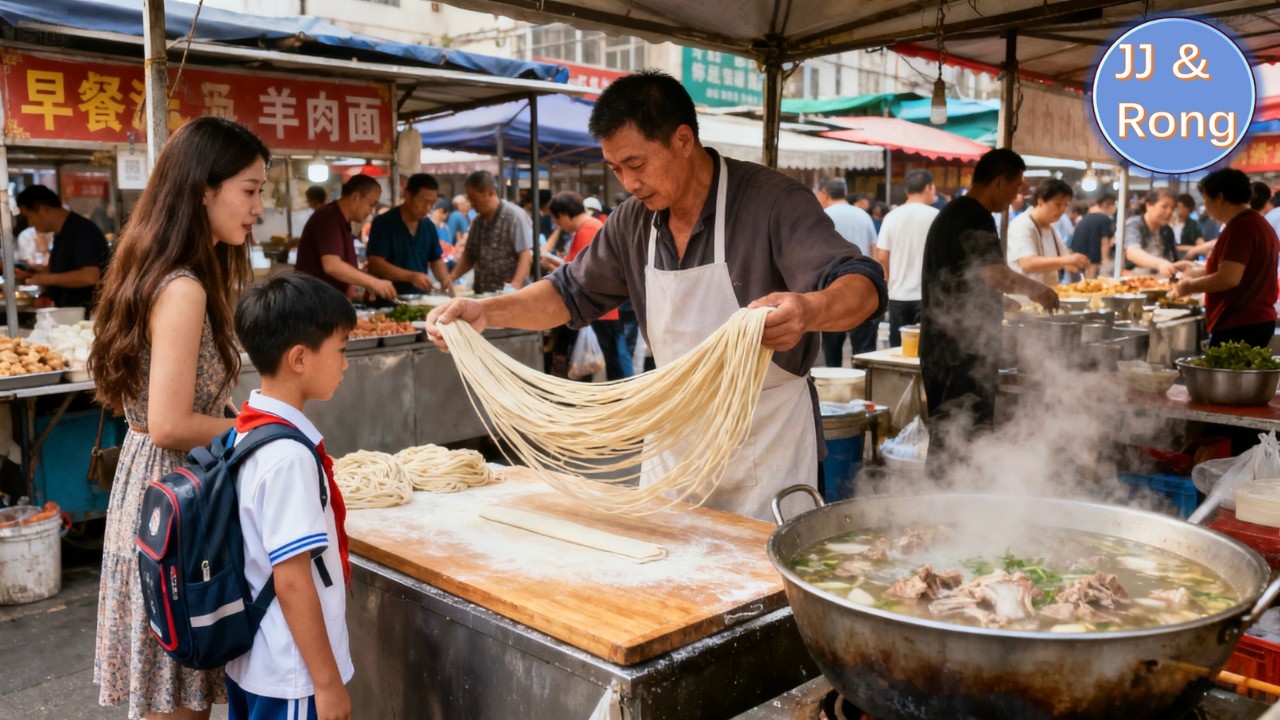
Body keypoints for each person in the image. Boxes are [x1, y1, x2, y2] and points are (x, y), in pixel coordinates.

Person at [425, 70, 885, 521]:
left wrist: (809, 309)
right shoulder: (631, 221)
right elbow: (567, 293)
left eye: (637, 164)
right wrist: (486, 311)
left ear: (683, 141)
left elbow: (860, 285)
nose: (627, 182)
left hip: (765, 441)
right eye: (615, 168)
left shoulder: (771, 202)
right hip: (676, 441)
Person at [88, 116, 269, 720]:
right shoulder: (184, 285)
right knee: (175, 705)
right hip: (174, 507)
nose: (259, 207)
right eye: (250, 190)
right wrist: (262, 428)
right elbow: (169, 423)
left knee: (169, 702)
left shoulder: (162, 267)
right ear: (203, 190)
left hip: (157, 496)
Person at [228, 272, 356, 720]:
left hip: (258, 659)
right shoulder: (288, 457)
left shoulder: (249, 431)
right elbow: (292, 578)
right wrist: (326, 683)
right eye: (341, 350)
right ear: (300, 358)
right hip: (293, 676)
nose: (345, 363)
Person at [920, 149, 1060, 480]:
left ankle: (952, 507)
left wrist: (1001, 304)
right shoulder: (973, 215)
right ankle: (945, 510)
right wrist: (1038, 290)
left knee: (955, 435)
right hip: (958, 351)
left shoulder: (955, 213)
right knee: (959, 435)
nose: (1017, 195)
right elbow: (994, 274)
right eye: (1017, 187)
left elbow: (962, 278)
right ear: (999, 181)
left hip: (950, 346)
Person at [1172, 168, 1279, 348]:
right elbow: (1237, 268)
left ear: (1219, 197)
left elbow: (1228, 278)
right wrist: (1194, 271)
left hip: (1240, 322)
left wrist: (1187, 286)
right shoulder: (1258, 223)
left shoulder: (1240, 228)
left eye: (1206, 198)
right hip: (1255, 320)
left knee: (1226, 375)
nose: (1205, 205)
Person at [542, 191, 626, 380]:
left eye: (557, 220)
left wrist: (556, 266)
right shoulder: (589, 227)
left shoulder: (588, 229)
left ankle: (618, 403)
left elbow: (585, 274)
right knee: (607, 360)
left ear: (563, 214)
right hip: (599, 308)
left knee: (611, 362)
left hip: (599, 309)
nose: (558, 226)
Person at [295, 174, 395, 300]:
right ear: (355, 197)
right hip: (314, 305)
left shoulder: (343, 221)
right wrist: (373, 282)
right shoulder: (328, 217)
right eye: (371, 204)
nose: (372, 211)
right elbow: (332, 266)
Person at [14, 185, 110, 309]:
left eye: (29, 216)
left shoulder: (81, 230)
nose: (30, 223)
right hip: (68, 312)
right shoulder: (60, 233)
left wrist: (46, 279)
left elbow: (90, 276)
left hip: (87, 315)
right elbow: (60, 270)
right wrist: (29, 276)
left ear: (42, 209)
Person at [816, 178, 880, 364]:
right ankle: (863, 388)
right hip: (863, 287)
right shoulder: (862, 215)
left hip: (831, 290)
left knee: (832, 351)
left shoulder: (823, 215)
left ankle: (835, 389)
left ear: (825, 193)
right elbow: (874, 250)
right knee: (863, 353)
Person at [874, 169, 938, 346]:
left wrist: (889, 279)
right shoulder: (936, 217)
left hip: (898, 295)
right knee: (925, 350)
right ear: (928, 187)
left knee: (899, 349)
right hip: (927, 296)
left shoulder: (891, 217)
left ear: (906, 191)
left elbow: (882, 255)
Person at [366, 173, 453, 296]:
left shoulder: (428, 226)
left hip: (421, 299)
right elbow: (376, 264)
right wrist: (411, 276)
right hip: (389, 299)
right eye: (424, 202)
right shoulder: (383, 223)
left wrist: (445, 280)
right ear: (407, 195)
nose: (428, 208)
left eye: (432, 203)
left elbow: (436, 259)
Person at [449, 171, 533, 293]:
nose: (471, 204)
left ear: (490, 193)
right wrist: (451, 277)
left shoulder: (514, 216)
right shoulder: (477, 221)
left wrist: (515, 286)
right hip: (482, 294)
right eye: (469, 198)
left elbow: (525, 255)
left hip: (509, 296)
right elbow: (469, 255)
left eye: (474, 198)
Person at [1005, 178, 1089, 286]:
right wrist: (1068, 260)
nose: (1063, 209)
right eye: (1058, 204)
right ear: (1040, 201)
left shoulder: (1050, 227)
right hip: (1023, 299)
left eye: (1066, 205)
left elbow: (1067, 262)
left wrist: (1078, 262)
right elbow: (1027, 263)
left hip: (1047, 295)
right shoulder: (1021, 224)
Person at [1122, 188, 1178, 276]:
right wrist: (1159, 263)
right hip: (1136, 279)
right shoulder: (1135, 223)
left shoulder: (1167, 230)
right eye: (1164, 206)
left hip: (1163, 282)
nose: (1169, 211)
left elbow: (1173, 258)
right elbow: (1132, 252)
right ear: (1148, 205)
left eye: (1172, 208)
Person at [1070, 194, 1117, 279]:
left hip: (1078, 257)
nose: (1114, 209)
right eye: (1114, 206)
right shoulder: (1105, 219)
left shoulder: (1086, 217)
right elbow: (1105, 242)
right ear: (1108, 205)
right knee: (1092, 285)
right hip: (1093, 260)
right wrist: (1105, 261)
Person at [1171, 193, 1206, 258]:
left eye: (1183, 207)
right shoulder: (1168, 223)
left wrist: (1179, 248)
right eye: (1178, 207)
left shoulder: (1193, 225)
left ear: (1189, 209)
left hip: (1187, 258)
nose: (1180, 209)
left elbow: (1201, 245)